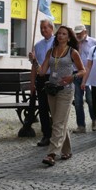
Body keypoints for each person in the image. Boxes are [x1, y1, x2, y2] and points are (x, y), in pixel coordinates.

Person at [33, 25, 85, 166]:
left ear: (69, 37)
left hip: (66, 91)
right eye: (59, 34)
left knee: (57, 123)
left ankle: (52, 153)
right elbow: (42, 72)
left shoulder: (72, 52)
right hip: (52, 90)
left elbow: (82, 71)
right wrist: (34, 61)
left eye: (64, 34)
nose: (60, 36)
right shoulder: (51, 51)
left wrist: (72, 77)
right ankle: (66, 150)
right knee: (59, 121)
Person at [28, 19, 55, 147]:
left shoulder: (57, 43)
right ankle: (46, 135)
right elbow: (35, 66)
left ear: (51, 28)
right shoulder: (37, 46)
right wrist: (32, 83)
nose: (43, 30)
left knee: (54, 108)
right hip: (41, 79)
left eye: (45, 27)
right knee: (43, 107)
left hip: (54, 77)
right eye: (41, 28)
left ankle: (57, 134)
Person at [73, 24, 96, 133]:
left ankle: (94, 119)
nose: (78, 35)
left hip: (89, 74)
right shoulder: (74, 43)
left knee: (90, 99)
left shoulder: (94, 42)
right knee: (78, 101)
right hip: (76, 73)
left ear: (85, 31)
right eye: (77, 33)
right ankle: (81, 125)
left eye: (80, 33)